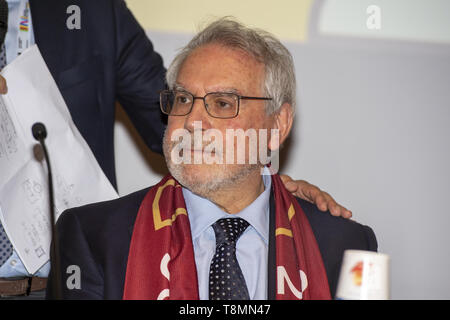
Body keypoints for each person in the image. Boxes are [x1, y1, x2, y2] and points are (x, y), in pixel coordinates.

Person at [46, 18, 377, 300]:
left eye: (221, 103)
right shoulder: (93, 237)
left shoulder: (345, 245)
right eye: (183, 99)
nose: (191, 122)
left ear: (277, 125)